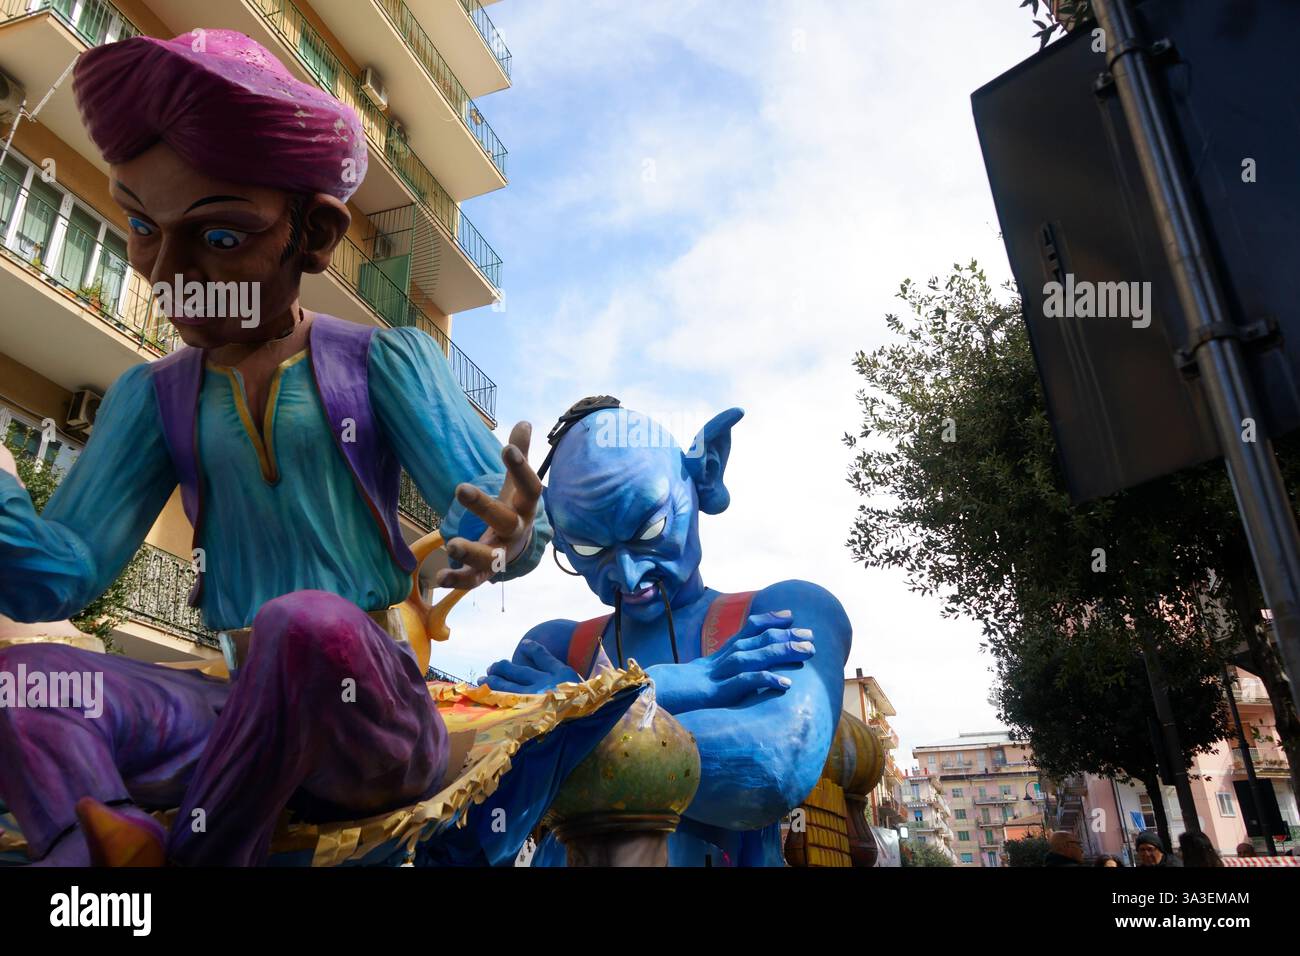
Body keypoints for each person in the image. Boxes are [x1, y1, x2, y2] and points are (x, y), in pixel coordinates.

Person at [0, 30, 554, 866]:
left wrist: (505, 532)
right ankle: (92, 866)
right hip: (227, 711)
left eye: (219, 238)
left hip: (364, 709)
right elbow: (65, 575)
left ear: (317, 234)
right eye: (144, 226)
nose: (167, 272)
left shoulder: (385, 361)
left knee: (302, 625)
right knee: (25, 682)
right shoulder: (152, 397)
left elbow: (487, 507)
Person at [480, 400, 853, 866]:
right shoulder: (555, 646)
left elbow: (774, 765)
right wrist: (663, 692)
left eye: (650, 528)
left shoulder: (786, 611)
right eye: (588, 548)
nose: (629, 576)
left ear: (707, 472)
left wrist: (567, 712)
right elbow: (487, 811)